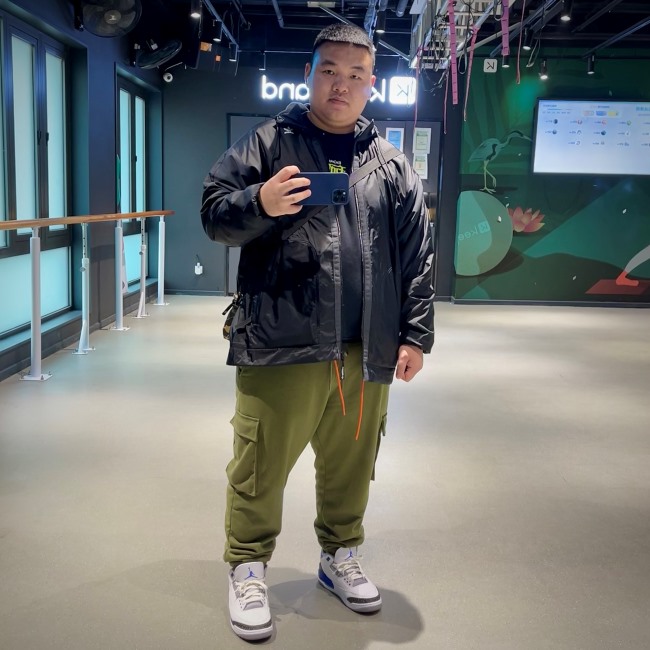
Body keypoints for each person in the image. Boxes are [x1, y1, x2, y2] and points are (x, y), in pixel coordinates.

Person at [201, 22, 435, 642]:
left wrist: (416, 335)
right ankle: (247, 565)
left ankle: (339, 555)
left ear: (371, 84)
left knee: (352, 464)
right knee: (260, 463)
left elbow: (417, 256)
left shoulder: (389, 164)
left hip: (366, 348)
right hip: (281, 342)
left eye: (356, 74)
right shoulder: (267, 143)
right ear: (309, 74)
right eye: (330, 70)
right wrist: (260, 202)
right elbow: (214, 214)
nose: (342, 84)